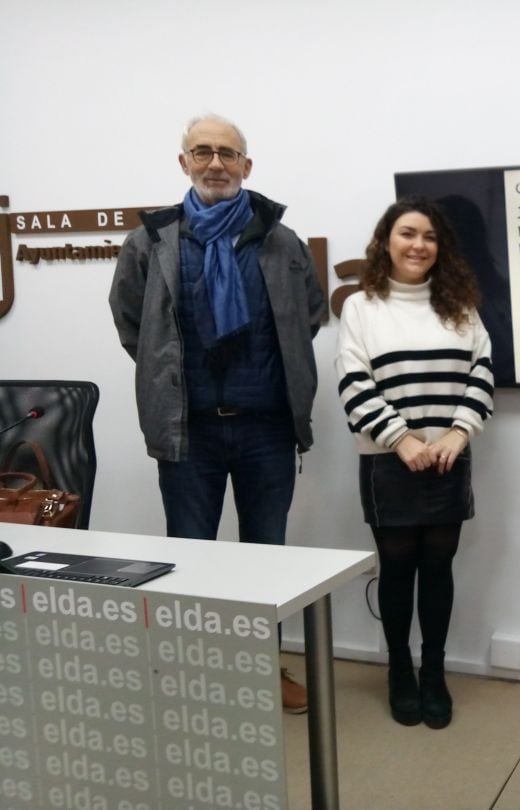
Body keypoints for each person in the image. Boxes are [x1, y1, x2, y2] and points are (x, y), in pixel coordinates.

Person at [109, 113, 326, 715]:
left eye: (228, 154)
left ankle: (260, 666)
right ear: (183, 162)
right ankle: (193, 670)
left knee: (266, 560)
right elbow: (134, 323)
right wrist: (168, 372)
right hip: (190, 431)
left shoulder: (281, 241)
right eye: (202, 152)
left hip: (266, 429)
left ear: (246, 166)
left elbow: (306, 317)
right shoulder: (150, 241)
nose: (215, 163)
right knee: (192, 557)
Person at [335, 197, 494, 730]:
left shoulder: (459, 305)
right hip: (388, 462)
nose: (418, 245)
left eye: (429, 236)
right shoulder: (362, 306)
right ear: (386, 241)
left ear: (439, 246)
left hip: (449, 458)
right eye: (407, 233)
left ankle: (434, 673)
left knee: (439, 569)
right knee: (398, 572)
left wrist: (458, 432)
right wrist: (401, 438)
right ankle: (399, 669)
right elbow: (353, 383)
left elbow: (482, 374)